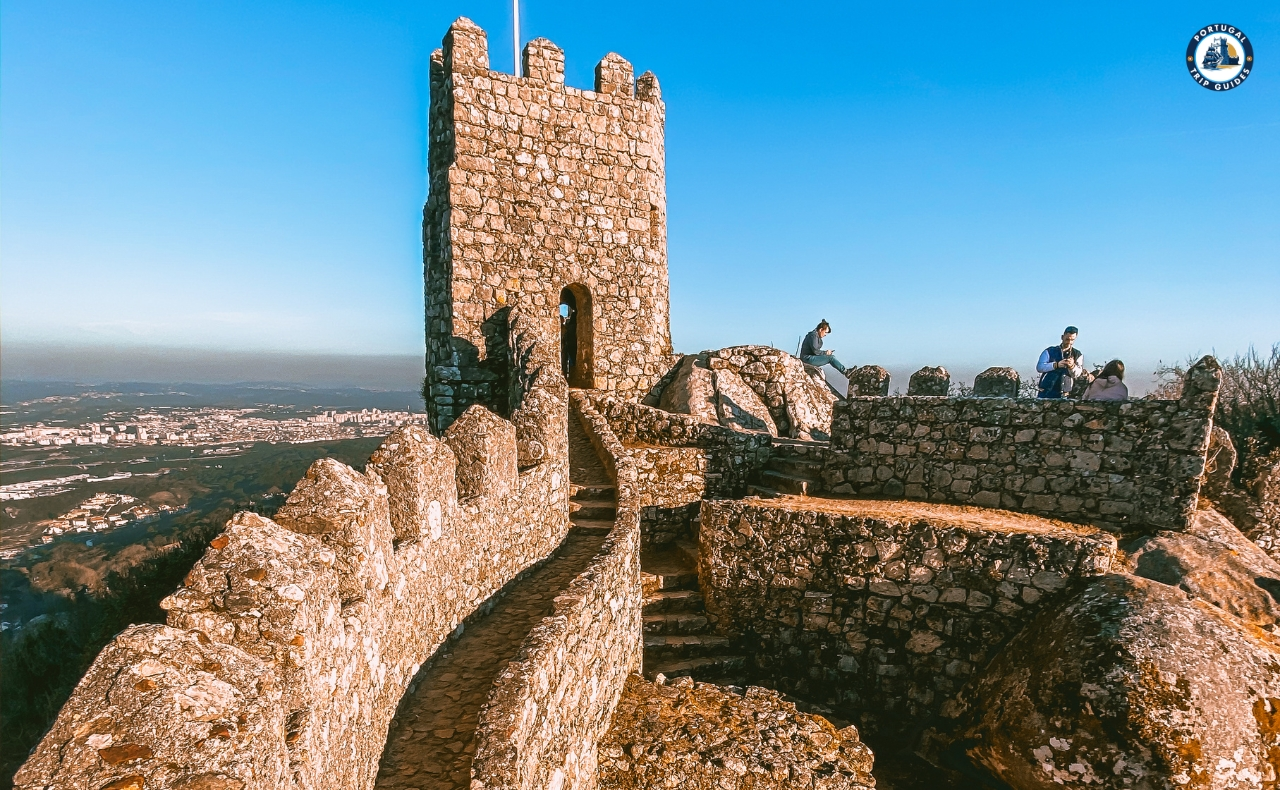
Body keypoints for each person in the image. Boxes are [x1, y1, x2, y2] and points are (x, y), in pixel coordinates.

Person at [1036, 326, 1085, 399]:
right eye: (1067, 339)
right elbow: (1040, 367)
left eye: (1072, 340)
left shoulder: (1077, 354)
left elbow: (1077, 374)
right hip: (1046, 391)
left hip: (1065, 393)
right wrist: (1056, 365)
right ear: (1062, 337)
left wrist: (1072, 366)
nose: (1069, 342)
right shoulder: (1049, 351)